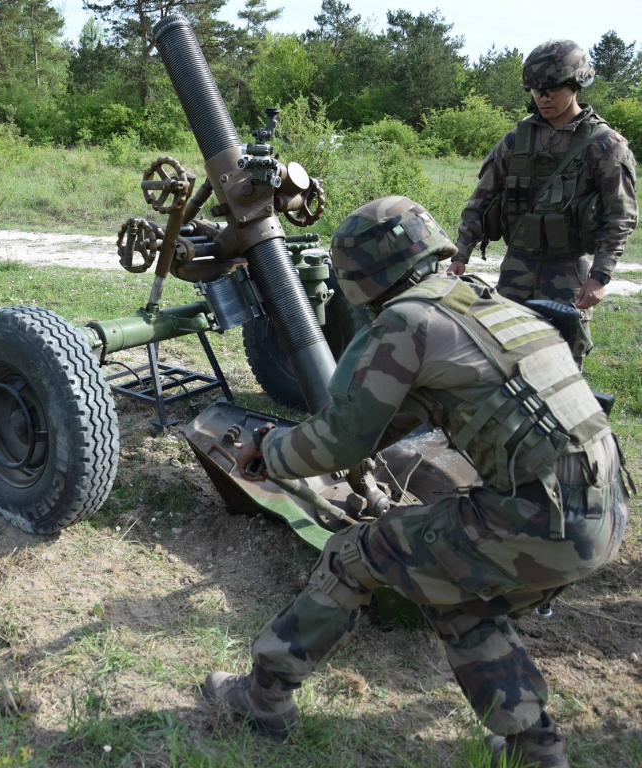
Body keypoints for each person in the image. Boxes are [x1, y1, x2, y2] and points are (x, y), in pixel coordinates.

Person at [205, 196, 630, 768]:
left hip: (539, 518)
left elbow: (339, 442)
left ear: (360, 274)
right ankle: (535, 748)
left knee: (353, 554)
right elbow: (402, 415)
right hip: (603, 511)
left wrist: (270, 454)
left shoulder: (406, 321)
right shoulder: (485, 303)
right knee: (448, 584)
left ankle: (263, 697)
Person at [448, 40, 638, 366]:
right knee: (503, 356)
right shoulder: (516, 140)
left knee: (564, 361)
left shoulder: (605, 145)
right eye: (536, 90)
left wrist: (600, 276)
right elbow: (482, 198)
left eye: (551, 89)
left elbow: (619, 216)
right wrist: (460, 254)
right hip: (516, 266)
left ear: (576, 85)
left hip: (568, 269)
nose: (542, 98)